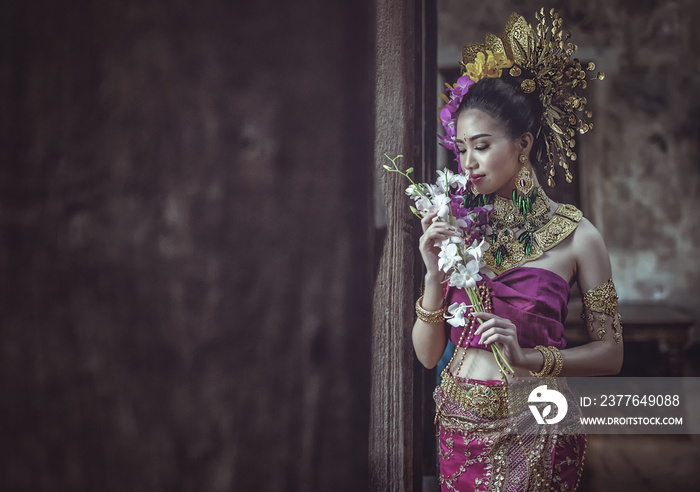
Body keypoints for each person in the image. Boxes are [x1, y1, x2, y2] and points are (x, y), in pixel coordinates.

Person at [412, 10, 624, 492]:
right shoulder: (457, 230)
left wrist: (531, 357)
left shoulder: (580, 237)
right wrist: (431, 275)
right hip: (458, 425)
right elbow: (427, 358)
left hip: (538, 424)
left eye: (481, 146)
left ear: (523, 143)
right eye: (461, 149)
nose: (468, 163)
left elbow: (611, 354)